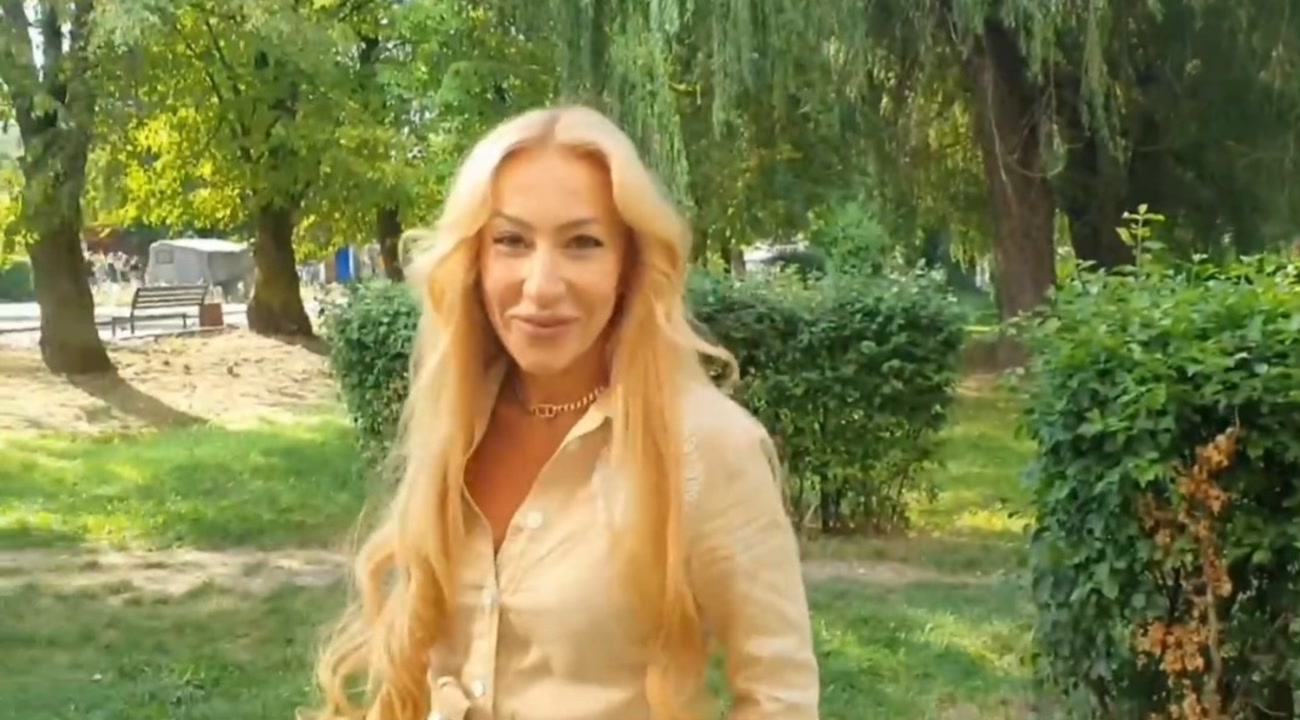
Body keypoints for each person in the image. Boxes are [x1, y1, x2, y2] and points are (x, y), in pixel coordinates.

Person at [311, 105, 819, 720]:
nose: (542, 286)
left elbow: (780, 696)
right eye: (511, 241)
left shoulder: (706, 447)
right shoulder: (458, 417)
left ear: (628, 265)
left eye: (583, 243)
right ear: (475, 261)